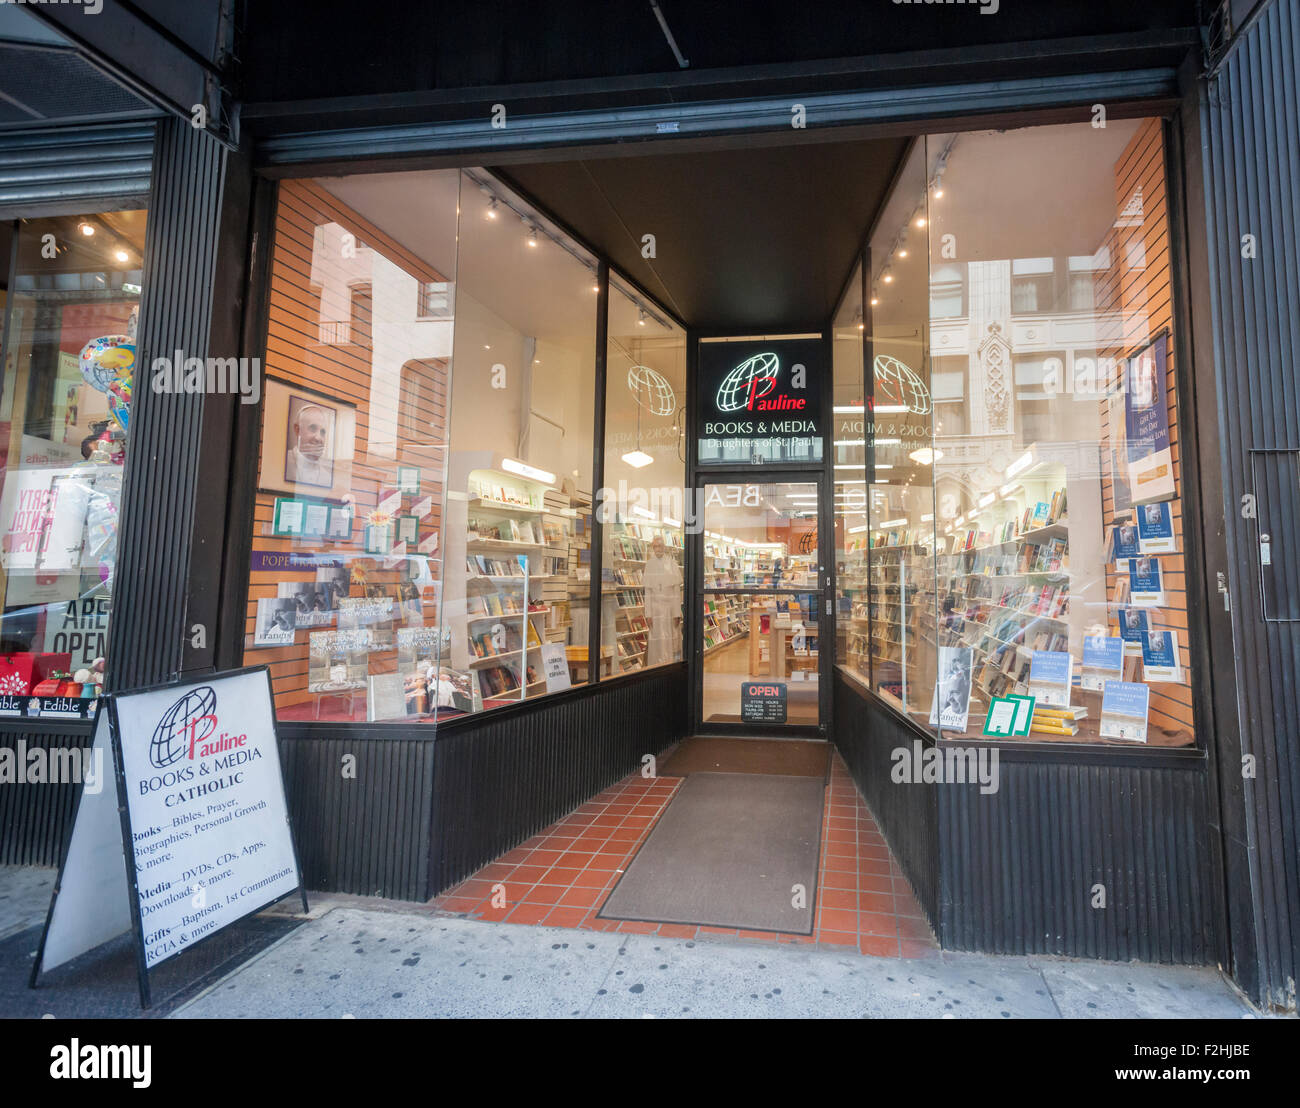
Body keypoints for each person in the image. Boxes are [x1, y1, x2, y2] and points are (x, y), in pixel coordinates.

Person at [642, 533, 682, 666]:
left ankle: (670, 667)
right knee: (656, 643)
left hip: (670, 609)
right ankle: (655, 668)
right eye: (655, 546)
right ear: (652, 547)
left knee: (671, 642)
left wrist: (677, 613)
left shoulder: (672, 564)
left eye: (660, 546)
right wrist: (648, 614)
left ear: (664, 547)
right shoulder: (649, 565)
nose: (657, 548)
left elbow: (676, 591)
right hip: (655, 610)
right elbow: (647, 592)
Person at [285, 402, 332, 486]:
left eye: (322, 432)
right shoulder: (283, 462)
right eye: (313, 428)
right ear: (297, 430)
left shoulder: (328, 478)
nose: (318, 438)